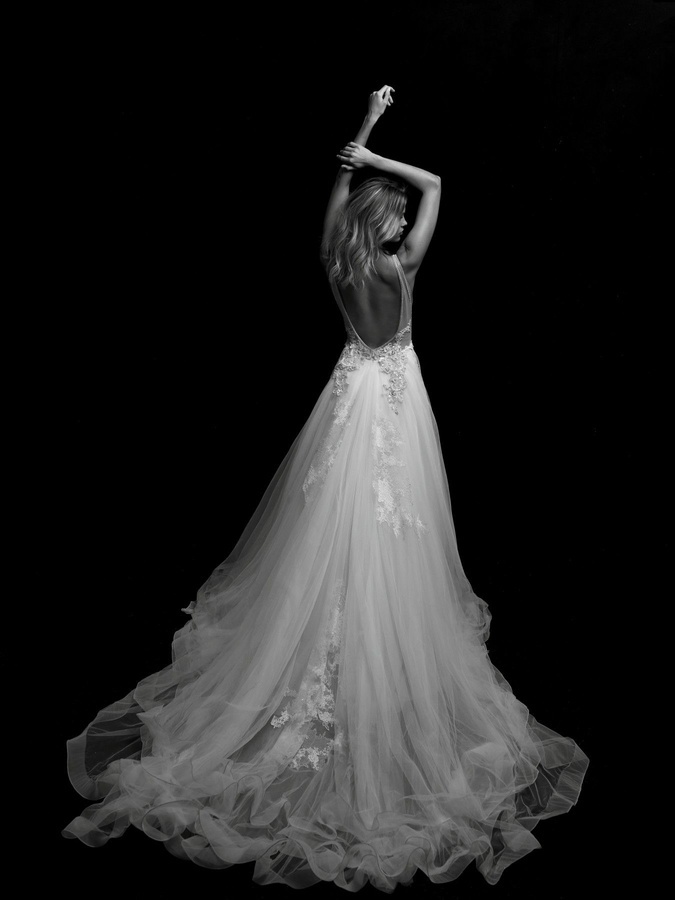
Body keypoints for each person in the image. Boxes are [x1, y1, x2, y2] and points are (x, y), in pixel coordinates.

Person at [63, 86, 588, 892]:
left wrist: (364, 129)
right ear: (388, 227)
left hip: (348, 397)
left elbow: (340, 195)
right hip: (396, 404)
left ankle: (330, 656)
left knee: (330, 524)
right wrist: (378, 150)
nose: (403, 226)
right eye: (396, 219)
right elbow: (434, 184)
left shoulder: (334, 260)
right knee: (394, 527)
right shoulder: (401, 267)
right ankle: (377, 671)